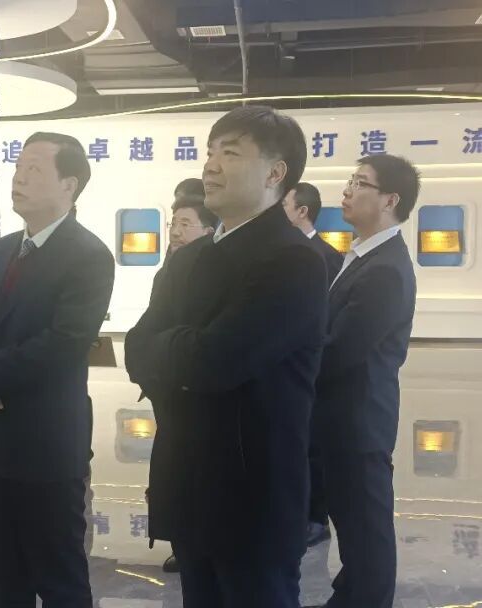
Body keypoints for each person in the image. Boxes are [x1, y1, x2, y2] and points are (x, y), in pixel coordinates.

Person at [126, 105, 327, 607]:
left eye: (231, 153)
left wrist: (175, 350)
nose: (211, 166)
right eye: (210, 152)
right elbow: (135, 349)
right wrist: (186, 349)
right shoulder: (190, 257)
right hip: (188, 479)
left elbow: (217, 361)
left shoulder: (293, 260)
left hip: (253, 493)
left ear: (276, 173)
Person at [0, 131, 115, 607]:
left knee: (60, 580)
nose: (18, 179)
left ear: (69, 185)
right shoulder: (3, 249)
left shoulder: (89, 256)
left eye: (34, 170)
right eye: (18, 168)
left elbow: (62, 345)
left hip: (46, 445)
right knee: (4, 579)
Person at [312, 155, 420, 608]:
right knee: (354, 522)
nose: (347, 191)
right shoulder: (363, 256)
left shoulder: (384, 269)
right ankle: (350, 595)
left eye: (360, 183)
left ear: (390, 200)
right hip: (343, 415)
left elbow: (341, 349)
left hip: (357, 418)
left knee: (366, 526)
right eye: (350, 181)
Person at [155, 184, 218, 574]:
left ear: (208, 231)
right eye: (173, 224)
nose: (176, 232)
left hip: (193, 389)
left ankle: (196, 542)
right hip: (166, 387)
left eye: (185, 224)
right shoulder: (169, 269)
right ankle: (180, 539)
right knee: (171, 468)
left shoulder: (215, 275)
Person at [283, 181, 343, 550]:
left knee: (313, 446)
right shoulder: (281, 252)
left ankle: (316, 519)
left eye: (285, 205)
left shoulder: (327, 257)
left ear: (302, 211)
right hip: (284, 364)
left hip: (312, 365)